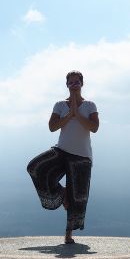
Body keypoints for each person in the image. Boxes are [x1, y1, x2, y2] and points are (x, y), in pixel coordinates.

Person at [27, 71, 99, 244]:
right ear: (66, 85)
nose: (74, 85)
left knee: (78, 198)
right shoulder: (60, 105)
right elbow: (52, 127)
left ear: (82, 84)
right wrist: (69, 114)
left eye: (77, 82)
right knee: (35, 167)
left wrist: (77, 112)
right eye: (71, 82)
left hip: (82, 157)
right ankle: (62, 192)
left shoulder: (90, 105)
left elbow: (94, 127)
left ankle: (68, 236)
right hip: (61, 151)